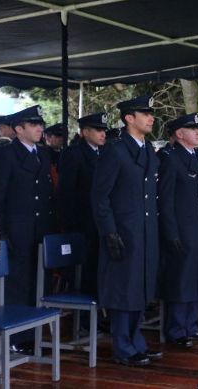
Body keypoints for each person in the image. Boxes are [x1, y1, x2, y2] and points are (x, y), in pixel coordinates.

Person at [91, 95, 162, 367]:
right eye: (144, 113)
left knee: (141, 287)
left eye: (150, 113)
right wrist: (109, 232)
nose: (150, 117)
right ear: (128, 118)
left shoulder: (146, 149)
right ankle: (123, 346)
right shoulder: (115, 149)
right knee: (124, 290)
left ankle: (136, 341)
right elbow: (100, 196)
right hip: (123, 232)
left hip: (145, 231)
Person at [0, 105, 54, 354]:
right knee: (19, 285)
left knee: (39, 283)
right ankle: (20, 338)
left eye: (41, 125)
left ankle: (36, 333)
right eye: (34, 125)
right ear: (18, 129)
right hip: (16, 231)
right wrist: (1, 234)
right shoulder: (6, 155)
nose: (40, 129)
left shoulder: (43, 154)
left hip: (40, 229)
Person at [157, 113, 198, 347]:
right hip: (182, 230)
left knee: (197, 279)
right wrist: (171, 233)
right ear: (179, 133)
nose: (197, 132)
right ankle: (177, 330)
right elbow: (166, 201)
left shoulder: (197, 157)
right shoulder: (171, 158)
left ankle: (191, 325)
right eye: (192, 128)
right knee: (181, 281)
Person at [59, 112, 108, 297]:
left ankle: (98, 314)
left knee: (97, 267)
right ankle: (84, 320)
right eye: (98, 130)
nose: (103, 134)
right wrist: (69, 223)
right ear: (85, 132)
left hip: (99, 220)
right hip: (82, 221)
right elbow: (67, 191)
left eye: (104, 130)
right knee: (83, 271)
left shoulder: (104, 152)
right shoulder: (74, 154)